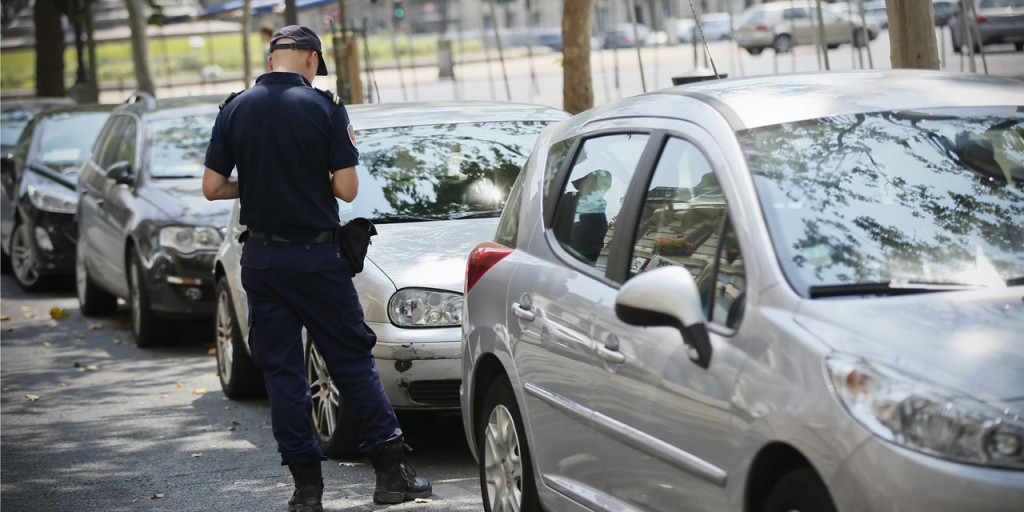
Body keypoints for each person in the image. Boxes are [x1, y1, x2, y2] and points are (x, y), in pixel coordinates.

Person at [201, 25, 431, 512]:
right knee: (350, 362)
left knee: (282, 373)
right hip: (317, 260)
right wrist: (307, 177)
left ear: (271, 60)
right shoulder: (326, 107)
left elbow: (213, 188)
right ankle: (391, 476)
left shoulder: (234, 109)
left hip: (262, 259)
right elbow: (346, 190)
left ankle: (306, 491)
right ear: (310, 60)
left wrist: (260, 181)